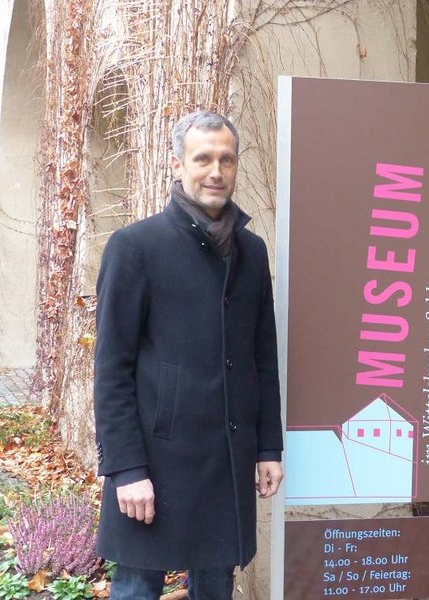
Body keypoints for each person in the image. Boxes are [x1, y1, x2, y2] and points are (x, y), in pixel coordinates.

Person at [93, 111, 283, 600]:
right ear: (178, 164)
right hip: (155, 461)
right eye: (203, 159)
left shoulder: (252, 251)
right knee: (137, 585)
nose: (215, 170)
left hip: (226, 458)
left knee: (216, 585)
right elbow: (112, 370)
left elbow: (263, 356)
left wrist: (268, 448)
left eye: (226, 159)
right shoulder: (134, 247)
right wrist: (126, 470)